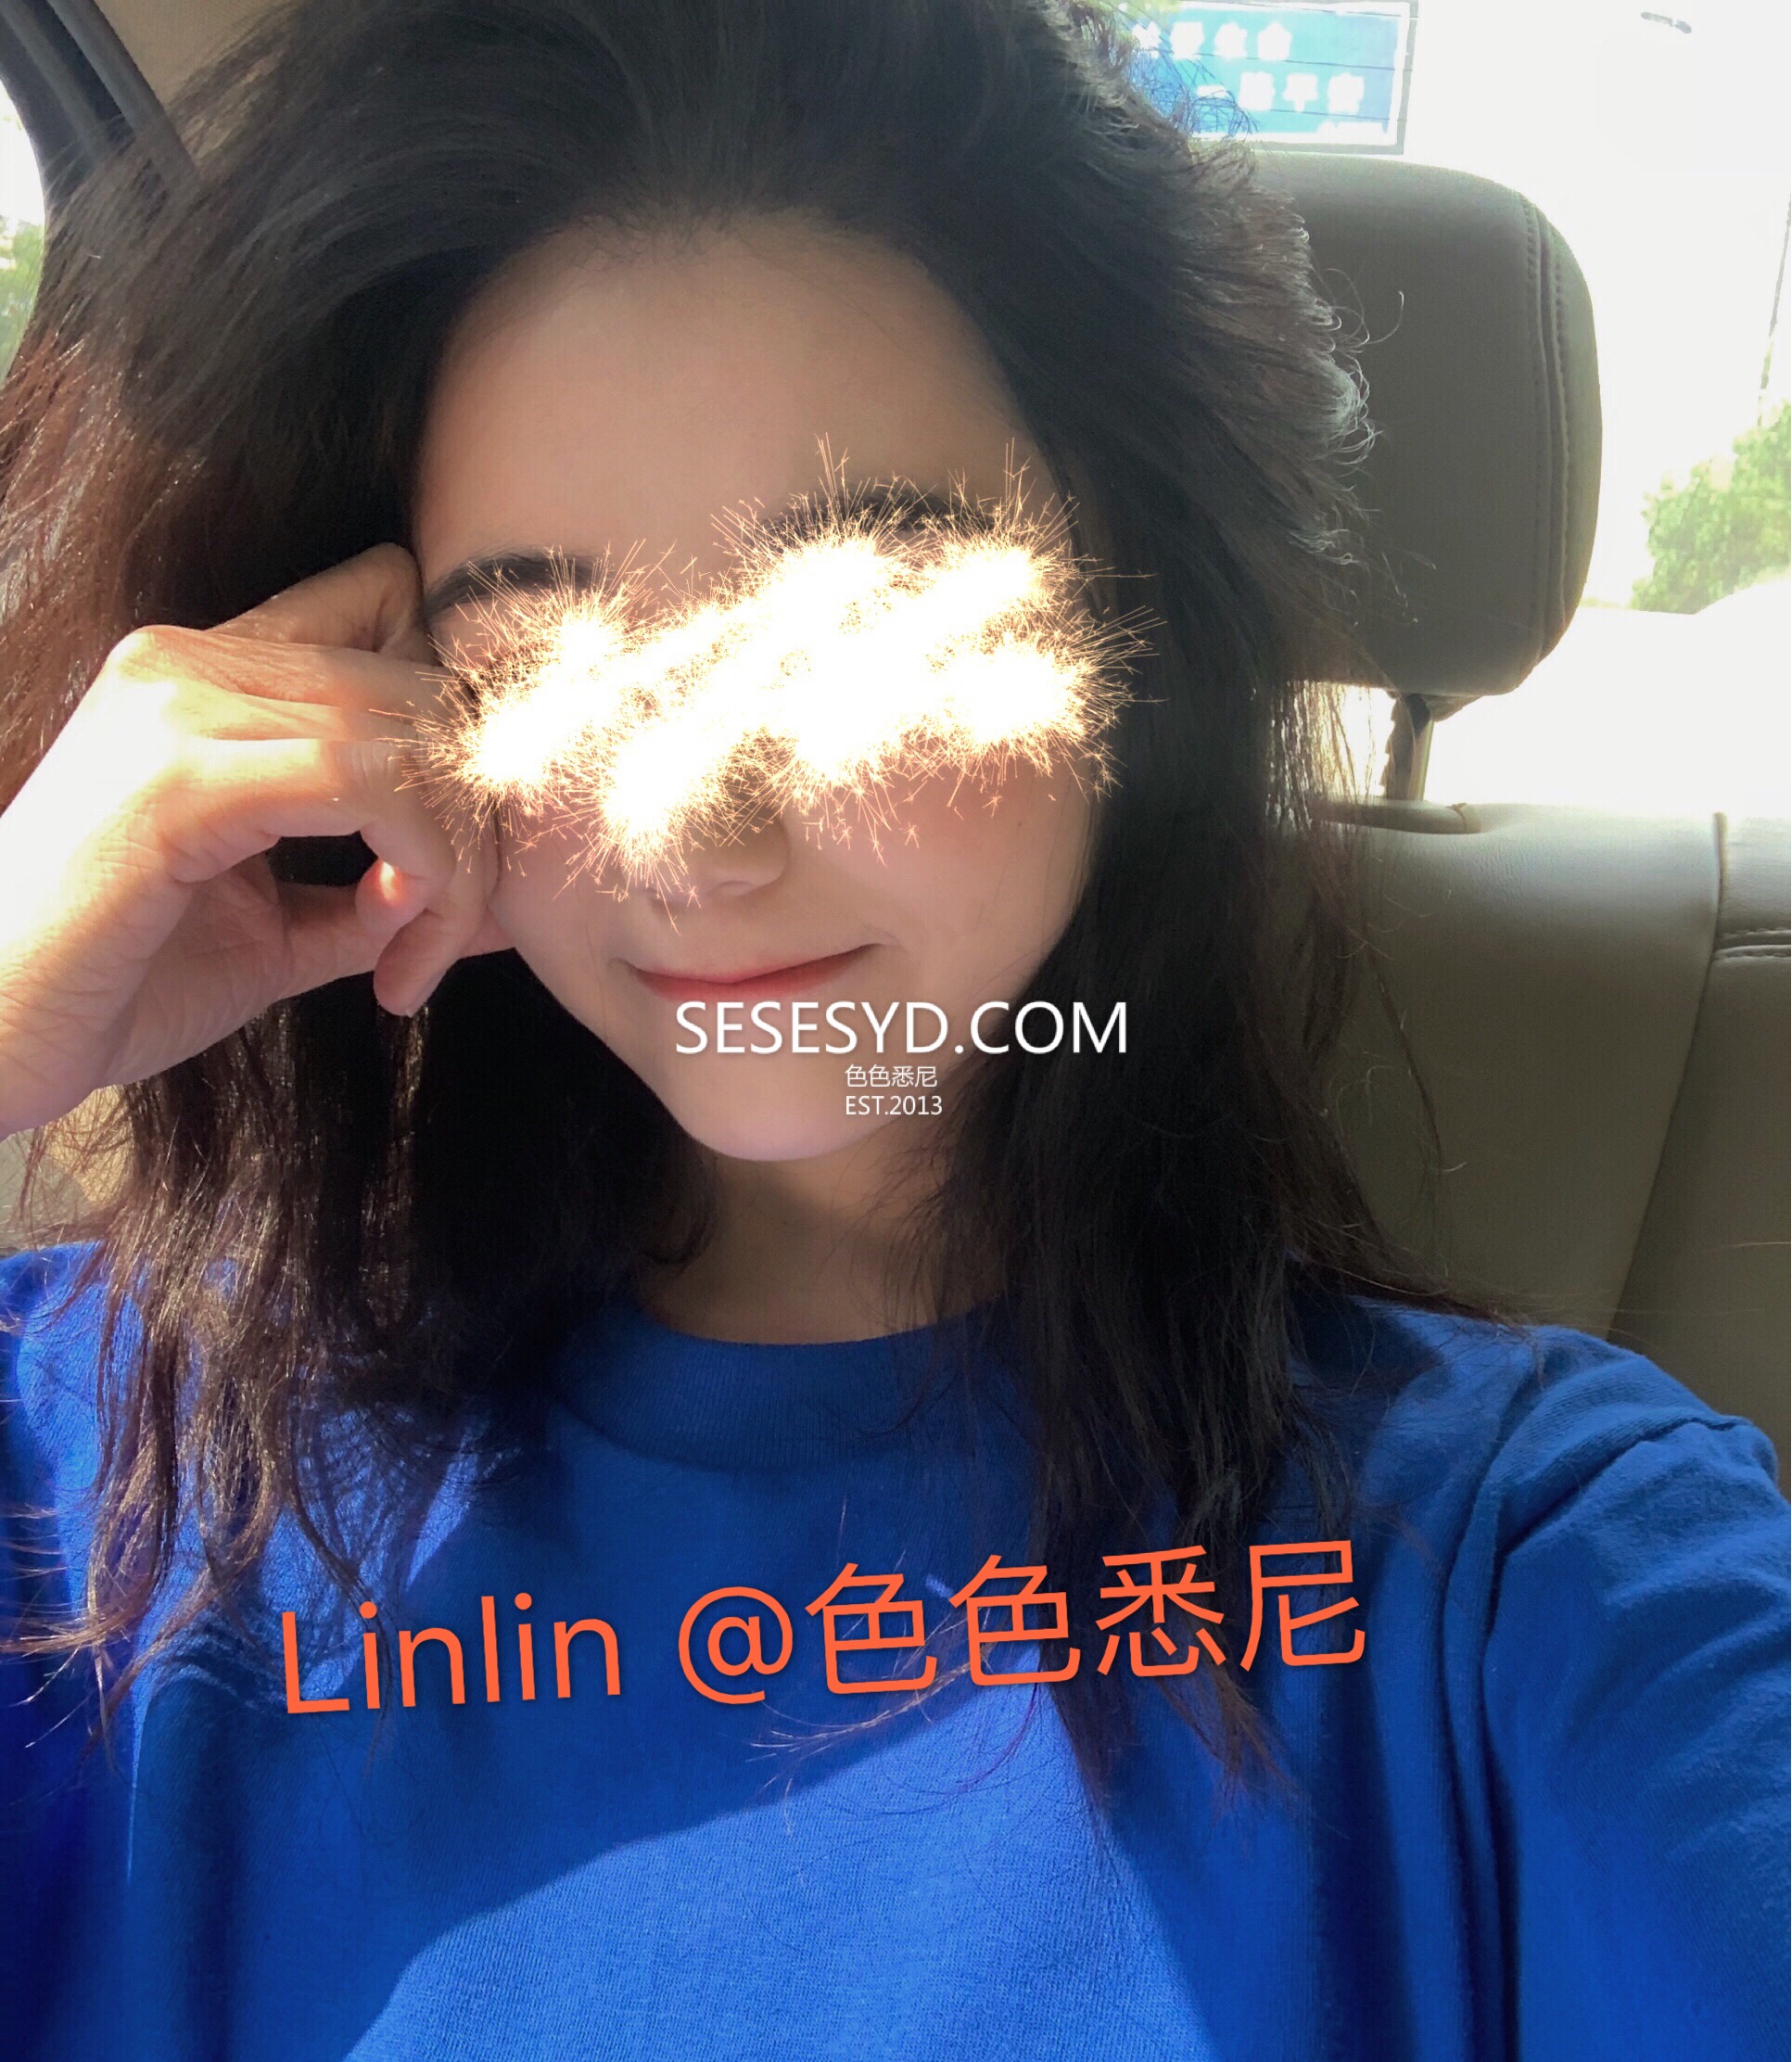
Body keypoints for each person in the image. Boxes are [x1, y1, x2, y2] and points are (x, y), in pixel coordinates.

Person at [0, 3, 1785, 2057]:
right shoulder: (93, 1479)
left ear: (1143, 634)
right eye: (535, 654)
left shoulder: (1530, 1571)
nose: (695, 837)